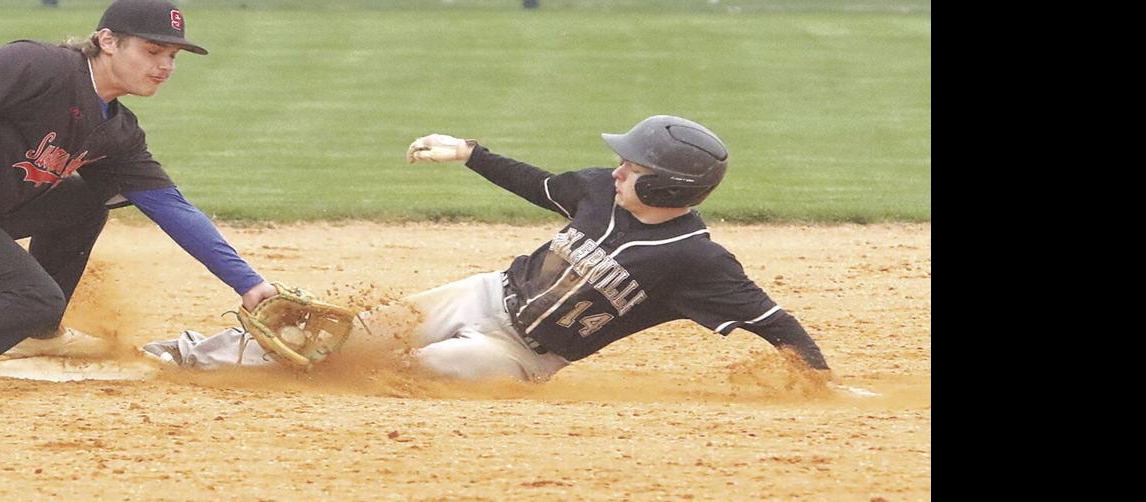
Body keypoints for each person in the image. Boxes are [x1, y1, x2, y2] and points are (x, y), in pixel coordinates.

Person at [142, 115, 831, 384]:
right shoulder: (597, 191)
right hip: (480, 293)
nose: (619, 168)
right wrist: (469, 153)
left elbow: (775, 324)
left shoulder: (696, 260)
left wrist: (822, 382)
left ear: (669, 183)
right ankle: (188, 354)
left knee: (407, 370)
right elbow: (537, 183)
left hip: (521, 355)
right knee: (345, 337)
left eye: (634, 164)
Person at [0, 0, 278, 395]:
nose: (164, 66)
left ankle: (38, 335)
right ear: (108, 41)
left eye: (173, 55)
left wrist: (250, 285)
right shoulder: (46, 66)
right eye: (152, 50)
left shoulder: (117, 131)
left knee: (85, 202)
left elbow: (172, 207)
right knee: (32, 294)